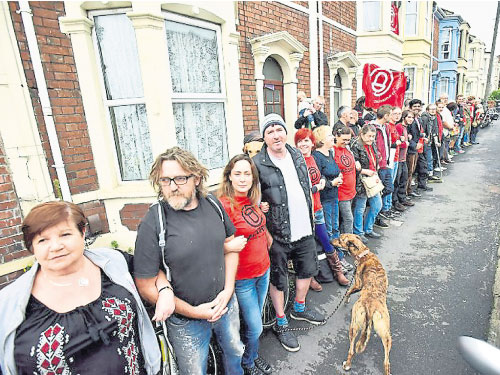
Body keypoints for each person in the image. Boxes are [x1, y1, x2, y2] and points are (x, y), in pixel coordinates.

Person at [0, 201, 162, 375]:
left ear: (82, 232)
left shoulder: (113, 263)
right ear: (33, 247)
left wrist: (164, 291)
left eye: (65, 234)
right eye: (42, 240)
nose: (55, 247)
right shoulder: (9, 304)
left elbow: (148, 270)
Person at [134, 147, 245, 375]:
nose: (172, 186)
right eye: (165, 180)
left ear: (196, 178)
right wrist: (195, 312)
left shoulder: (213, 204)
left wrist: (229, 290)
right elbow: (145, 284)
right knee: (194, 370)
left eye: (180, 178)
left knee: (235, 351)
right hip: (186, 321)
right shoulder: (154, 221)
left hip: (226, 304)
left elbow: (231, 248)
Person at [253, 113, 325, 353]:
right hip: (277, 233)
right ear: (264, 137)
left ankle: (300, 307)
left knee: (307, 269)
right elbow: (252, 198)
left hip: (305, 226)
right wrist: (261, 211)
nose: (275, 134)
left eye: (278, 129)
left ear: (285, 132)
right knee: (279, 278)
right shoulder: (257, 163)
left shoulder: (296, 154)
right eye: (270, 131)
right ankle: (281, 320)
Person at [218, 154, 272, 375]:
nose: (242, 179)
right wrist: (227, 247)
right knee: (255, 326)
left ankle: (253, 355)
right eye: (237, 174)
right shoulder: (223, 205)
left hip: (264, 270)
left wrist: (267, 235)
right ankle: (248, 362)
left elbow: (255, 224)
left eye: (247, 174)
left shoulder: (252, 199)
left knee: (255, 322)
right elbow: (209, 244)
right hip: (244, 278)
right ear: (229, 176)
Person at [295, 128, 349, 287]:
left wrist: (324, 181)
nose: (303, 144)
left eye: (306, 140)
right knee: (307, 245)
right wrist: (316, 188)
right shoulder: (295, 162)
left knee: (326, 240)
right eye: (300, 141)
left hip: (317, 208)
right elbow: (298, 189)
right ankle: (309, 277)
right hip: (304, 211)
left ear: (312, 142)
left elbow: (319, 175)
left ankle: (337, 270)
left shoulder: (312, 158)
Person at [312, 126, 352, 274]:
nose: (333, 137)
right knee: (328, 231)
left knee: (335, 228)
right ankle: (334, 264)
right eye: (329, 135)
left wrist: (338, 177)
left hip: (334, 196)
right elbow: (318, 179)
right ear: (321, 140)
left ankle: (340, 258)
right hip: (324, 199)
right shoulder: (317, 156)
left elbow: (333, 171)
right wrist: (331, 183)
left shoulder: (330, 153)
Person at [351, 124, 383, 239]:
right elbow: (353, 166)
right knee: (360, 207)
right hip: (361, 180)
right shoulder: (355, 146)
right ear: (362, 135)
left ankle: (368, 228)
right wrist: (365, 171)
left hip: (372, 178)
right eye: (369, 136)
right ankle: (358, 232)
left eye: (373, 136)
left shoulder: (372, 144)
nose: (371, 139)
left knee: (377, 205)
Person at [371, 105, 393, 226]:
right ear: (386, 116)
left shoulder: (386, 127)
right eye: (390, 114)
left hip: (386, 163)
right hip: (378, 165)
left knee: (389, 188)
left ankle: (378, 213)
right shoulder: (373, 128)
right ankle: (375, 217)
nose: (392, 117)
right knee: (378, 192)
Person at [333, 126, 357, 234]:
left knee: (344, 219)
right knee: (348, 219)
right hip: (341, 192)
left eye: (348, 140)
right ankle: (350, 242)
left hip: (351, 190)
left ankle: (344, 239)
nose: (346, 142)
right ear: (336, 137)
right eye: (344, 140)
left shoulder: (348, 149)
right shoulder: (332, 151)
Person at [393, 110, 414, 208]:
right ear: (404, 117)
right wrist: (405, 143)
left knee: (404, 178)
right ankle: (396, 201)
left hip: (403, 158)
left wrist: (407, 139)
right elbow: (396, 142)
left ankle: (402, 198)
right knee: (397, 180)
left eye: (412, 117)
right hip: (398, 158)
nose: (411, 119)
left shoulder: (405, 127)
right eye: (409, 117)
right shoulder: (399, 127)